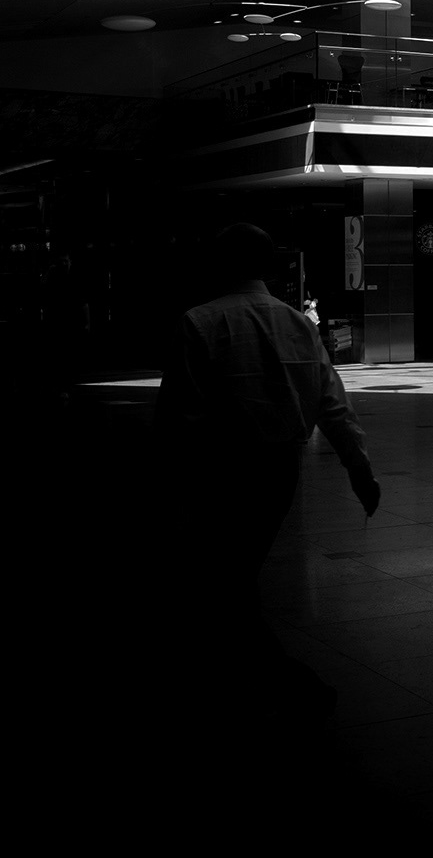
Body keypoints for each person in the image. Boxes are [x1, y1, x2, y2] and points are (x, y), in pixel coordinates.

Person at [155, 222, 381, 721]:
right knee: (236, 573)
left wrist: (171, 490)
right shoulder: (297, 324)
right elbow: (332, 403)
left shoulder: (198, 322)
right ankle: (267, 681)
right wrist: (358, 468)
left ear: (220, 263)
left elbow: (180, 418)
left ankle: (286, 684)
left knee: (223, 579)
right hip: (280, 473)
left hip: (219, 472)